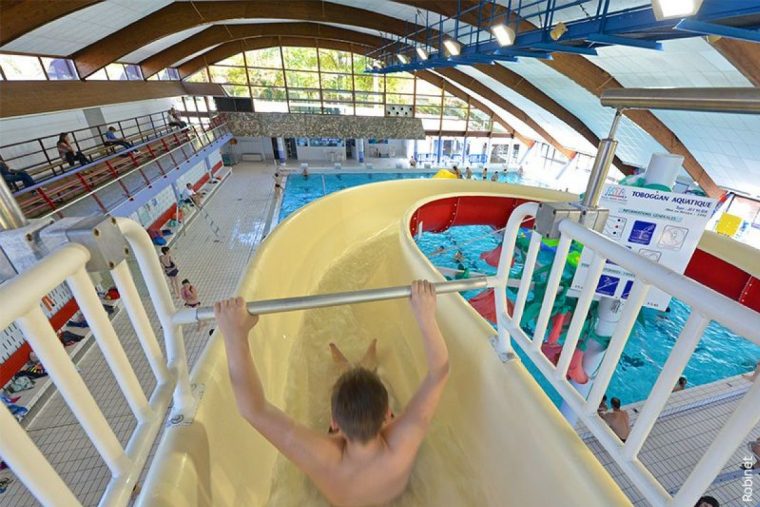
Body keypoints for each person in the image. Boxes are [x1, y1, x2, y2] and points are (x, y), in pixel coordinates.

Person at [214, 280, 449, 506]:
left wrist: (235, 334)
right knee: (362, 388)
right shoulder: (403, 443)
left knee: (352, 388)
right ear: (388, 413)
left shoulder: (322, 456)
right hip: (395, 492)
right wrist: (426, 316)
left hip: (337, 488)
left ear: (334, 422)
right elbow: (439, 372)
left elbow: (253, 409)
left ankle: (350, 370)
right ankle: (361, 370)